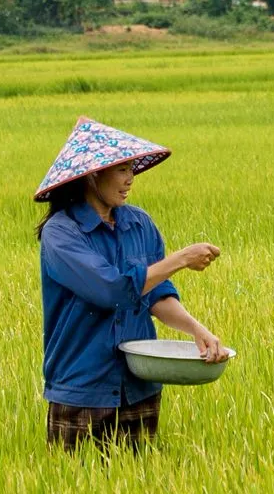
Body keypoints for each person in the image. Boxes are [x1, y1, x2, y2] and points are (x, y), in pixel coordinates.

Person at [34, 117, 226, 453]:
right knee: (73, 484)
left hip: (139, 387)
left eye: (132, 169)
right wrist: (181, 258)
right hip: (82, 389)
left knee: (139, 481)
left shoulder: (139, 224)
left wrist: (197, 330)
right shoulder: (61, 233)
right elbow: (110, 290)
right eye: (122, 169)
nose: (130, 179)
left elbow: (156, 295)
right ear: (93, 175)